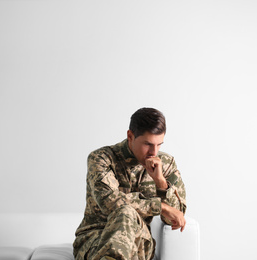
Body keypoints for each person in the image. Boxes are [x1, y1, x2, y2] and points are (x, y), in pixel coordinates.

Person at [73, 107, 187, 260]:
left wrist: (161, 183)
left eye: (159, 144)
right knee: (125, 211)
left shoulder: (165, 164)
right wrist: (160, 207)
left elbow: (174, 218)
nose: (154, 152)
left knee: (128, 213)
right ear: (130, 136)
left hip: (138, 242)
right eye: (148, 144)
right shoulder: (101, 159)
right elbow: (111, 203)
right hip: (95, 241)